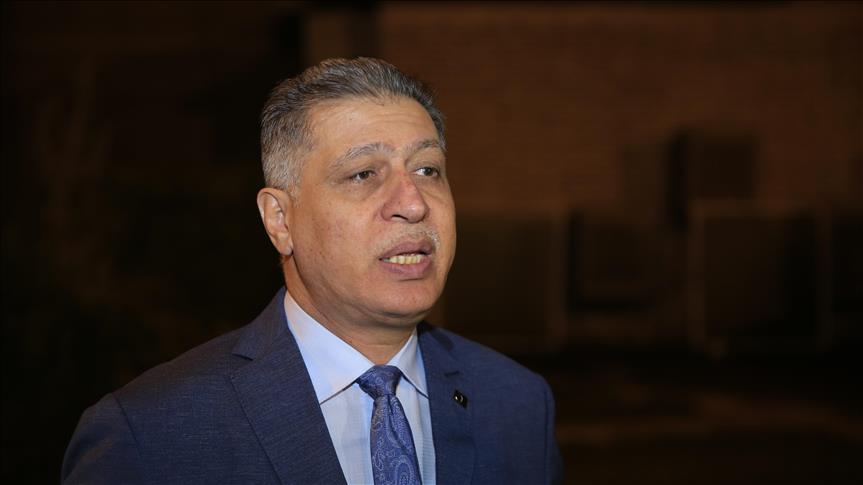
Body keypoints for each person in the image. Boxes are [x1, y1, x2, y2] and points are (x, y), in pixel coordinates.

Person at [62, 57, 563, 485]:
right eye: (363, 173)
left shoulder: (518, 405)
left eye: (427, 169)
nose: (413, 203)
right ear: (280, 221)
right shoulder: (151, 435)